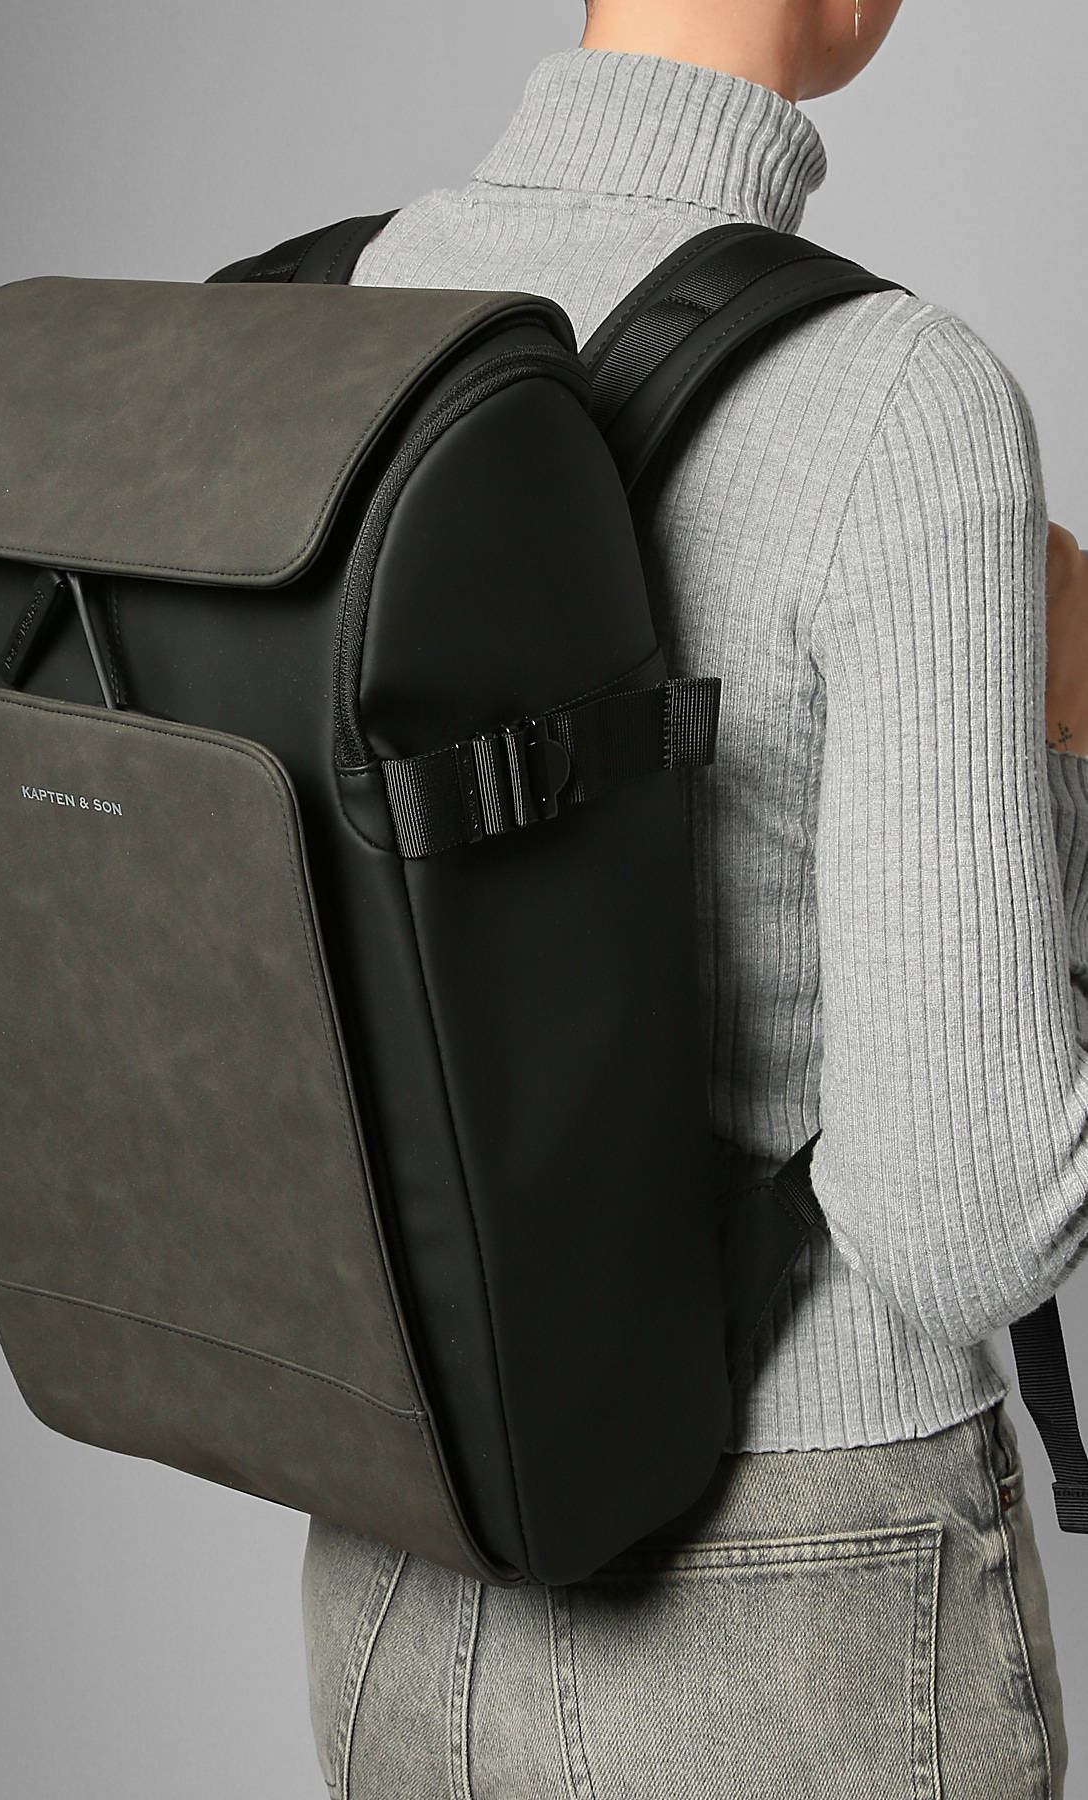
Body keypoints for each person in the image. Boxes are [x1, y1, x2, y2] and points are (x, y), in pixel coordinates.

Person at [299, 2, 1085, 1795]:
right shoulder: (898, 404)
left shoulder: (339, 310)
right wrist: (1071, 741)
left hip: (395, 1549)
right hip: (795, 1598)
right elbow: (965, 1223)